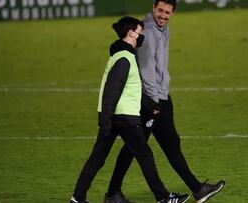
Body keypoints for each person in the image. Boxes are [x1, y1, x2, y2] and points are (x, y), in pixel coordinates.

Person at [105, 1, 225, 203]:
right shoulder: (149, 31)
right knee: (135, 148)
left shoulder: (163, 27)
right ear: (154, 8)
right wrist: (154, 105)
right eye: (160, 10)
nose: (163, 15)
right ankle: (113, 194)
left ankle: (198, 189)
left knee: (168, 144)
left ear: (173, 13)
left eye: (167, 12)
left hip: (161, 97)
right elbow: (146, 71)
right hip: (151, 102)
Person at [70, 16, 190, 203]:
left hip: (115, 116)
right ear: (131, 33)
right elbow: (111, 91)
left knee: (97, 159)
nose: (142, 36)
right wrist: (105, 122)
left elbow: (130, 88)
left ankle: (77, 199)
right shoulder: (125, 59)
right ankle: (164, 198)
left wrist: (151, 107)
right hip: (124, 117)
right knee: (145, 155)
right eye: (140, 33)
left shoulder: (122, 55)